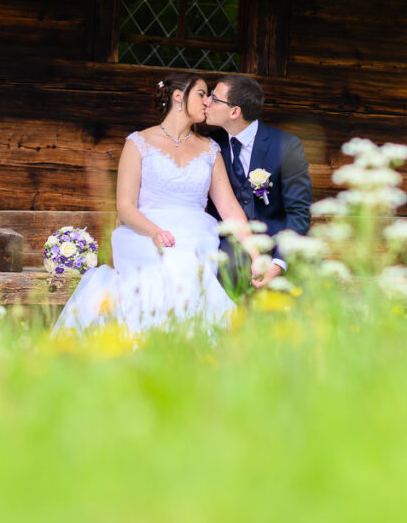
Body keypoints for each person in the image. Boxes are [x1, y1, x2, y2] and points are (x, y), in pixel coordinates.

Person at [54, 72, 275, 334]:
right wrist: (155, 232)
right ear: (178, 97)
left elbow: (229, 209)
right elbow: (125, 206)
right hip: (142, 233)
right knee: (161, 269)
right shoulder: (138, 142)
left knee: (187, 266)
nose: (207, 102)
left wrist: (255, 254)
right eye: (202, 94)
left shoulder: (210, 150)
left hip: (195, 237)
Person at [204, 75, 312, 287]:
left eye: (214, 99)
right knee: (231, 267)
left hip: (277, 240)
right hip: (232, 242)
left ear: (234, 112)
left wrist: (279, 262)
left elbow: (299, 211)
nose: (206, 101)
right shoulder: (211, 144)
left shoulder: (286, 145)